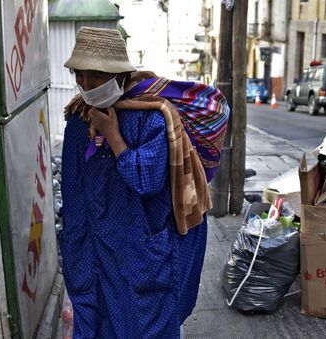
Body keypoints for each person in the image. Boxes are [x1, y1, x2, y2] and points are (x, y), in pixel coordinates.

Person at [59, 27, 228, 338]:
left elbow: (146, 180)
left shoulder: (152, 117)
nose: (86, 86)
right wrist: (73, 239)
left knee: (145, 324)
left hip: (140, 250)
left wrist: (113, 136)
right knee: (96, 321)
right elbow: (72, 186)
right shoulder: (78, 120)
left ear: (118, 76)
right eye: (79, 76)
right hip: (94, 248)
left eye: (95, 77)